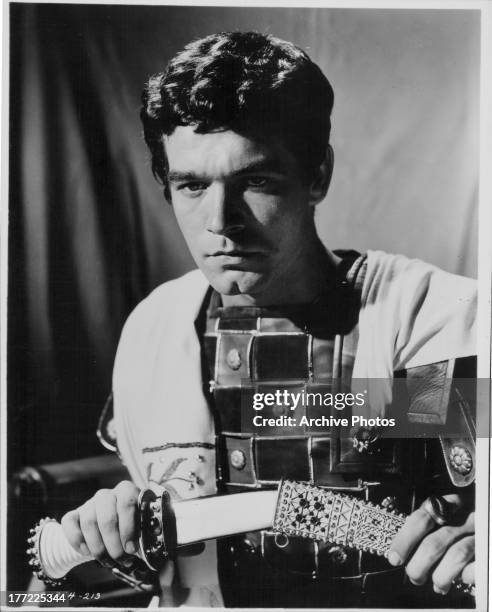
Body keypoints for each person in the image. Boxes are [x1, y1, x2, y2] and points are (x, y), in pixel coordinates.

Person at [60, 32, 476, 607]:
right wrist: (114, 528)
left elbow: (467, 498)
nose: (219, 222)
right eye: (192, 185)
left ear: (317, 175)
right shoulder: (156, 330)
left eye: (255, 181)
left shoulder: (423, 315)